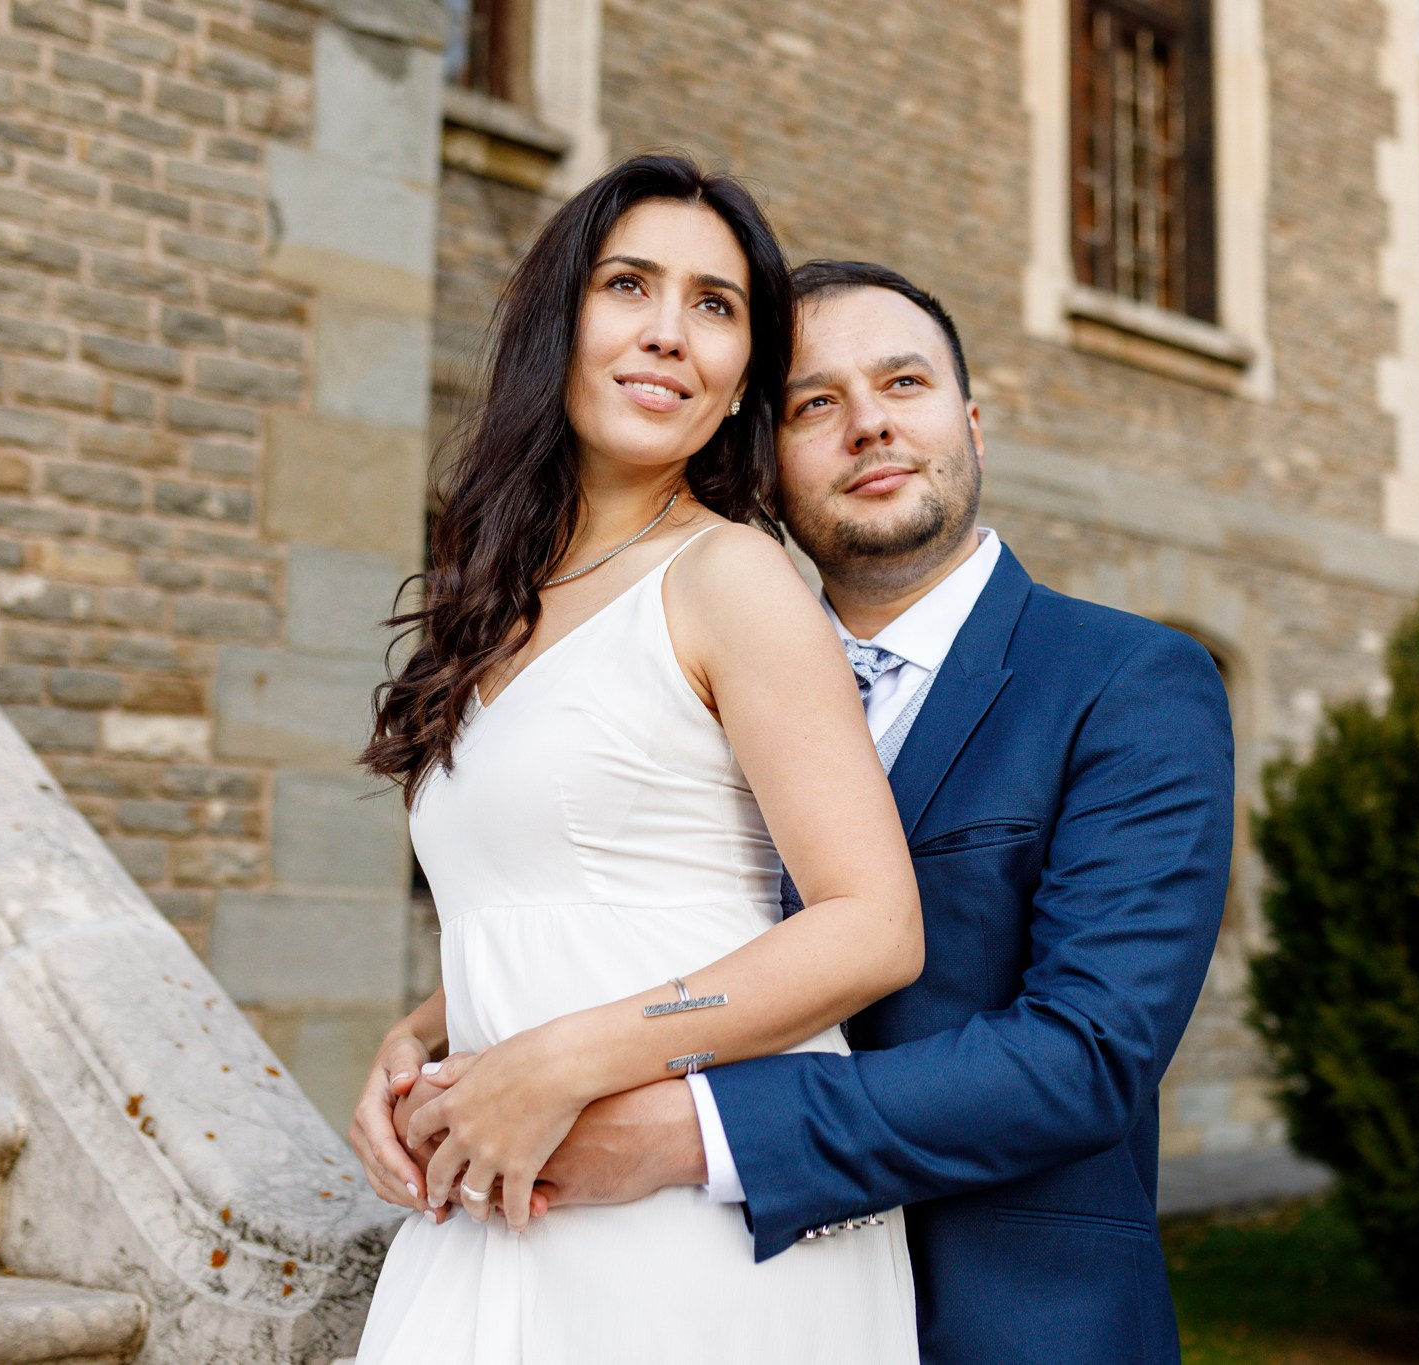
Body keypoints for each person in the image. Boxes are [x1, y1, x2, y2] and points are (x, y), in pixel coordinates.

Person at [399, 261, 1235, 1364]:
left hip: (1007, 1319)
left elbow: (1084, 1054)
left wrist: (699, 1135)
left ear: (971, 425)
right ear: (764, 460)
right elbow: (665, 905)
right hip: (703, 1297)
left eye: (904, 385)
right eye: (815, 405)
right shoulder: (719, 675)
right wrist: (434, 1033)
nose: (870, 428)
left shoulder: (1127, 681)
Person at [346, 159, 924, 1363]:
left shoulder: (731, 578)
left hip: (682, 1229)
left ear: (736, 389)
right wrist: (422, 1039)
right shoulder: (497, 604)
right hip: (497, 1192)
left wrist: (559, 1062)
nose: (670, 333)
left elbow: (871, 926)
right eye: (629, 286)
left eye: (715, 307)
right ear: (559, 325)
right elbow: (584, 892)